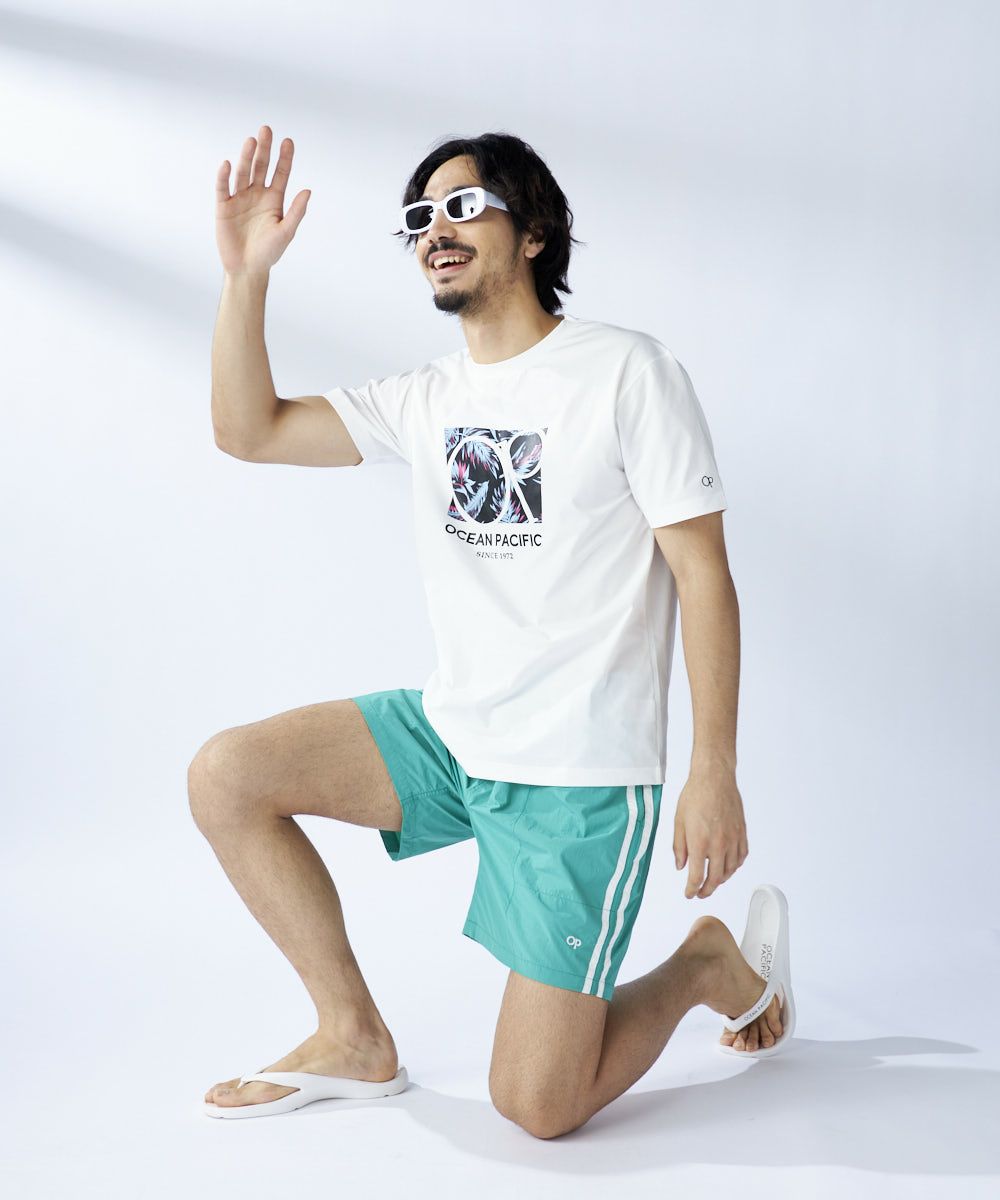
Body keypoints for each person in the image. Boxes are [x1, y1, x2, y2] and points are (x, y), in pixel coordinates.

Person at [193, 126, 788, 1134]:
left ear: (535, 232)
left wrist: (712, 768)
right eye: (420, 216)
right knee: (227, 776)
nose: (436, 228)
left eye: (464, 206)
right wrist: (246, 277)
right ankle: (353, 1036)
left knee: (538, 1107)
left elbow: (704, 577)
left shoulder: (627, 372)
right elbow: (249, 431)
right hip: (455, 734)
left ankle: (699, 965)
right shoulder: (425, 398)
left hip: (578, 775)